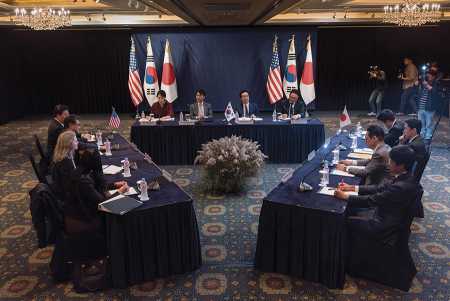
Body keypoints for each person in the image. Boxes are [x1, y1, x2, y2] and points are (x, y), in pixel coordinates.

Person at [334, 145, 420, 245]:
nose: (388, 164)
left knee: (342, 220)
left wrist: (345, 196)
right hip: (390, 216)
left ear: (401, 165)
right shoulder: (406, 176)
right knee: (350, 209)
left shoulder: (400, 187)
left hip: (383, 225)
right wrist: (352, 187)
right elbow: (379, 188)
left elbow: (371, 200)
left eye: (391, 162)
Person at [51, 131, 128, 234]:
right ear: (69, 144)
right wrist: (119, 191)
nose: (77, 142)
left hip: (71, 200)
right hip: (80, 209)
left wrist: (113, 185)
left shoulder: (65, 159)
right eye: (75, 140)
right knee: (121, 212)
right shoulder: (75, 174)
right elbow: (102, 203)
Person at [417, 70, 440, 143]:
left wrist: (427, 85)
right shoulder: (423, 82)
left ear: (433, 76)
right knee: (421, 123)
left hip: (429, 108)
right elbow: (419, 92)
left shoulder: (436, 83)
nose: (428, 77)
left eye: (430, 76)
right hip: (421, 106)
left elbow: (435, 92)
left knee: (429, 124)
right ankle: (421, 136)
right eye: (427, 75)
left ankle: (428, 137)